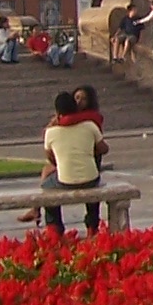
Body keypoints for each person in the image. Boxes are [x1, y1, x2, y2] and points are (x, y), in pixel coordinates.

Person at [40, 91, 105, 235]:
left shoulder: (50, 132)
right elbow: (104, 149)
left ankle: (54, 227)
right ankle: (92, 227)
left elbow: (51, 158)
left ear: (57, 112)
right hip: (91, 178)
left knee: (46, 187)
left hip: (65, 180)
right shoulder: (89, 125)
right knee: (93, 183)